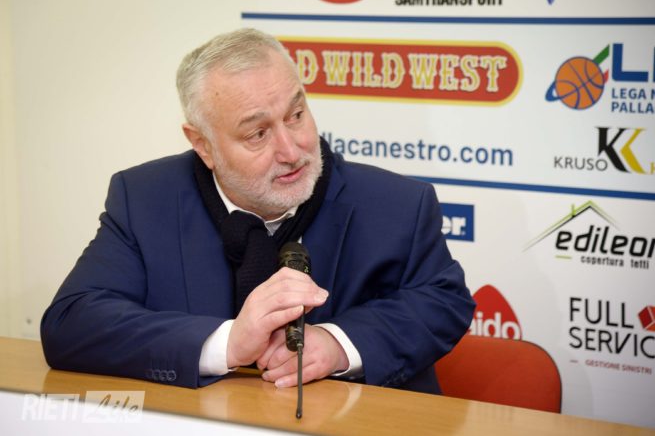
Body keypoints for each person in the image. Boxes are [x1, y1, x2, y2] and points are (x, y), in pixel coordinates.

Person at [40, 28, 475, 394]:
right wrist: (227, 343)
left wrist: (338, 344)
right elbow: (72, 322)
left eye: (297, 114)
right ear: (203, 145)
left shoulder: (397, 205)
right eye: (258, 134)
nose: (292, 150)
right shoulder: (144, 199)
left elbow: (443, 301)